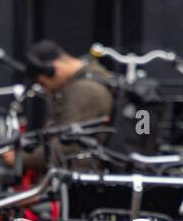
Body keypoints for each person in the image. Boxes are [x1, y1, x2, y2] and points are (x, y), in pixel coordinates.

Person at [7, 39, 115, 171]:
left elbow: (69, 145)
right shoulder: (90, 80)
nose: (47, 90)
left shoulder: (84, 90)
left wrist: (20, 158)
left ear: (54, 70)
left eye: (43, 83)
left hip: (82, 182)